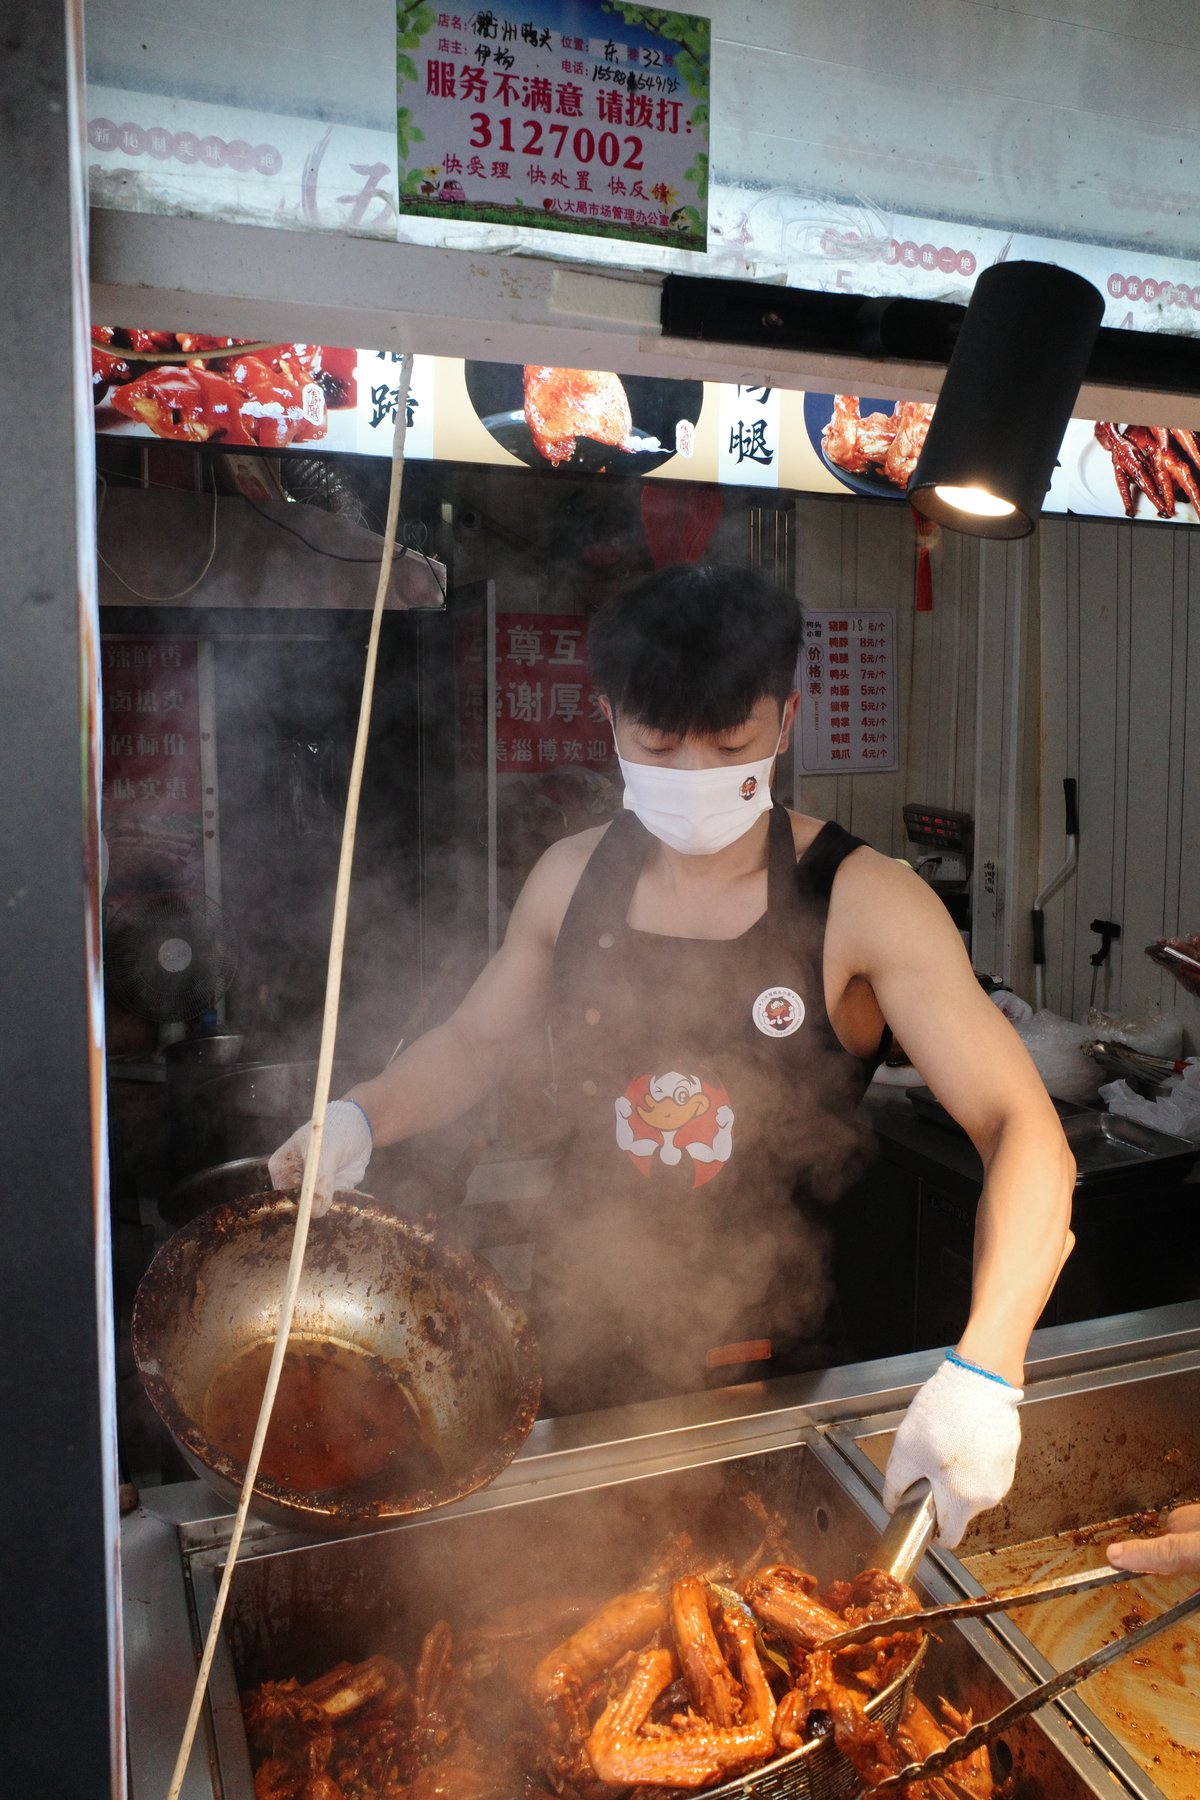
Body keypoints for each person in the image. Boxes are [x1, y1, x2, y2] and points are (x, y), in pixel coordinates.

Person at [269, 563, 1074, 1547]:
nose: (694, 775)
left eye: (730, 743)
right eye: (657, 744)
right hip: (584, 1337)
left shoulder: (865, 900)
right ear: (609, 721)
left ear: (785, 720)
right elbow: (475, 1043)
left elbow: (1022, 1126)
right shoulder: (571, 878)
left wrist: (991, 1363)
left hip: (789, 1365)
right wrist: (359, 1115)